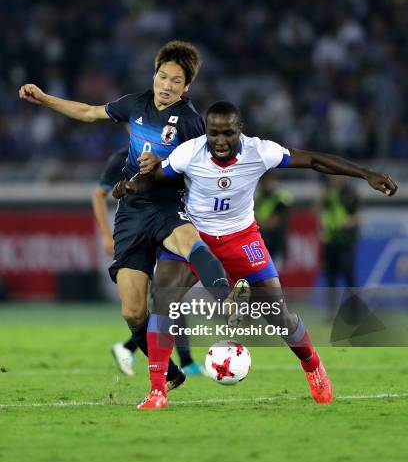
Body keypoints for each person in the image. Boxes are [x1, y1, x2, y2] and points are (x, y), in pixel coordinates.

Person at [119, 101, 398, 409]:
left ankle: (312, 365)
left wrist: (366, 174)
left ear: (241, 130)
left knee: (278, 315)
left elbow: (315, 161)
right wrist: (132, 185)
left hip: (242, 238)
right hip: (194, 237)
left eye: (228, 133)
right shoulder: (190, 151)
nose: (220, 140)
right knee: (164, 299)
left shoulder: (260, 151)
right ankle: (158, 389)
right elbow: (155, 176)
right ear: (206, 132)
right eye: (214, 133)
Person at [19, 41, 245, 406]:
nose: (166, 85)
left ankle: (227, 300)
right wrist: (46, 99)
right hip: (131, 214)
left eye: (176, 80)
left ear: (186, 87)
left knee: (189, 241)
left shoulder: (190, 123)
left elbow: (202, 171)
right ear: (154, 74)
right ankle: (171, 374)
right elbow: (89, 112)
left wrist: (164, 170)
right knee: (132, 310)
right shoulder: (134, 104)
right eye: (162, 76)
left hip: (168, 207)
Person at [92, 145, 204, 376]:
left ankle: (146, 351)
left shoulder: (178, 153)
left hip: (170, 224)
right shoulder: (122, 158)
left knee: (171, 297)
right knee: (162, 299)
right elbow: (99, 194)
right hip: (141, 232)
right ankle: (174, 359)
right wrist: (105, 234)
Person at [319, 176, 360, 322]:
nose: (332, 177)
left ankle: (354, 312)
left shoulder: (349, 191)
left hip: (345, 241)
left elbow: (357, 215)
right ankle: (331, 312)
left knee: (349, 277)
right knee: (330, 278)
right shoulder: (327, 193)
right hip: (331, 240)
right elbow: (320, 212)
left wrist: (350, 222)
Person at [255, 171, 293, 270]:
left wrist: (265, 223)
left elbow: (276, 219)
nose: (265, 184)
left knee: (276, 273)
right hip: (262, 243)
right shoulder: (257, 199)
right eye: (263, 181)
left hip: (277, 241)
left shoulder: (280, 196)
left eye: (268, 180)